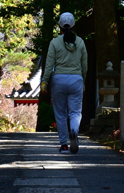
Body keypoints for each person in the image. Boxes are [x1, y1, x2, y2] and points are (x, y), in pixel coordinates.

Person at [41, 12, 87, 154]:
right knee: (75, 112)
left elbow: (49, 64)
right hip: (76, 80)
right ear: (73, 25)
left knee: (60, 113)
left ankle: (64, 145)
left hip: (59, 80)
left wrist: (44, 81)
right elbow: (84, 64)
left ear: (59, 26)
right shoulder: (80, 42)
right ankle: (74, 131)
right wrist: (83, 80)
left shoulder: (54, 43)